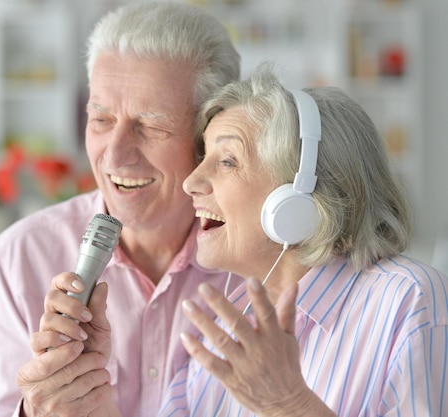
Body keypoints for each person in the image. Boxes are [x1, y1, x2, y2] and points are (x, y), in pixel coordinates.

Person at [0, 2, 241, 417]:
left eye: (150, 126)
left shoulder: (262, 264)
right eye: (100, 119)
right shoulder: (18, 258)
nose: (114, 156)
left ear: (211, 137)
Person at [153, 63, 448, 416]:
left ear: (300, 197)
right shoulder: (223, 335)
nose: (191, 182)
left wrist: (289, 405)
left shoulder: (410, 301)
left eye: (228, 161)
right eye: (205, 157)